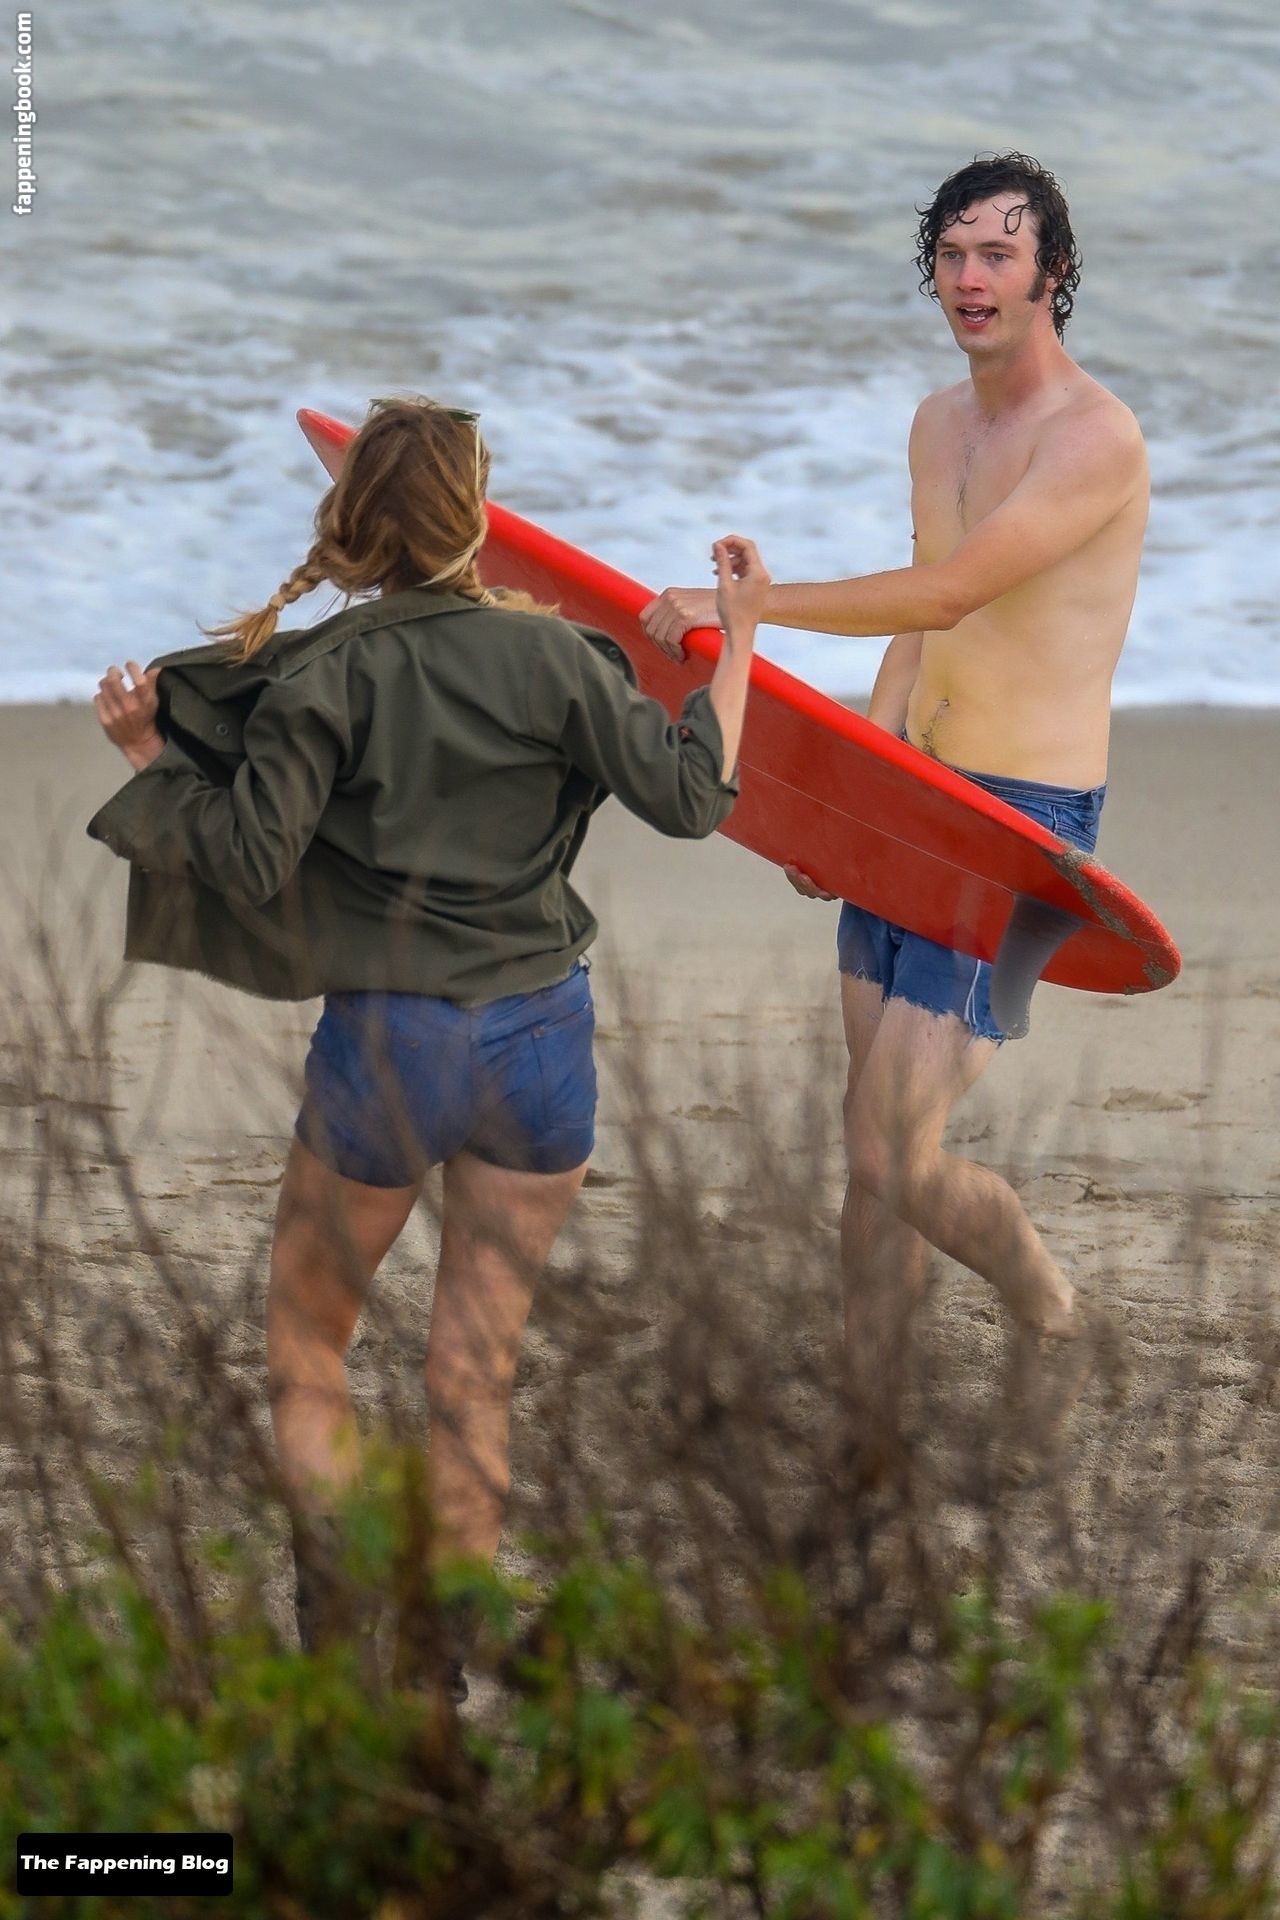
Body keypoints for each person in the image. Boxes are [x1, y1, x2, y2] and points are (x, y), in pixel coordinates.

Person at [88, 394, 771, 1692]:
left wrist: (152, 761)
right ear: (477, 519)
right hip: (541, 1035)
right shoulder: (559, 659)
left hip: (395, 1041)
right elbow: (693, 796)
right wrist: (735, 642)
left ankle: (341, 1651)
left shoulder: (325, 676)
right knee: (473, 1371)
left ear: (357, 525)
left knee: (306, 1352)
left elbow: (247, 857)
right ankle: (438, 1679)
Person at [640, 152, 1149, 1387]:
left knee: (890, 1148)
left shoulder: (1093, 439)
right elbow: (921, 630)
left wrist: (745, 613)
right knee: (866, 1142)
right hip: (917, 796)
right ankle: (870, 1414)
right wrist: (854, 801)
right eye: (951, 254)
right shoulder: (936, 422)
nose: (969, 279)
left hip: (1018, 833)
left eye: (997, 255)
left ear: (1050, 274)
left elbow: (950, 590)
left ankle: (1041, 1298)